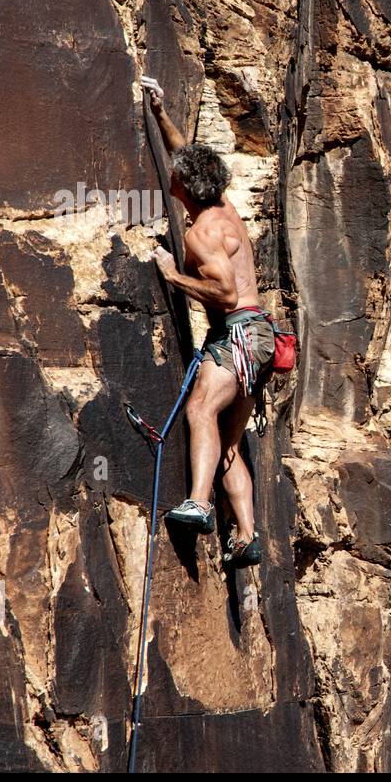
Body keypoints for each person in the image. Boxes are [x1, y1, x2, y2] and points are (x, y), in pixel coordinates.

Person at [140, 75, 272, 567]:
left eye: (174, 175)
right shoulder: (223, 206)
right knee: (230, 443)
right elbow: (187, 156)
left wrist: (174, 276)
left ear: (181, 189)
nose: (171, 175)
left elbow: (225, 291)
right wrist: (160, 112)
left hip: (237, 334)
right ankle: (246, 535)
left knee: (200, 410)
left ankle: (197, 502)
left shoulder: (199, 234)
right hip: (258, 337)